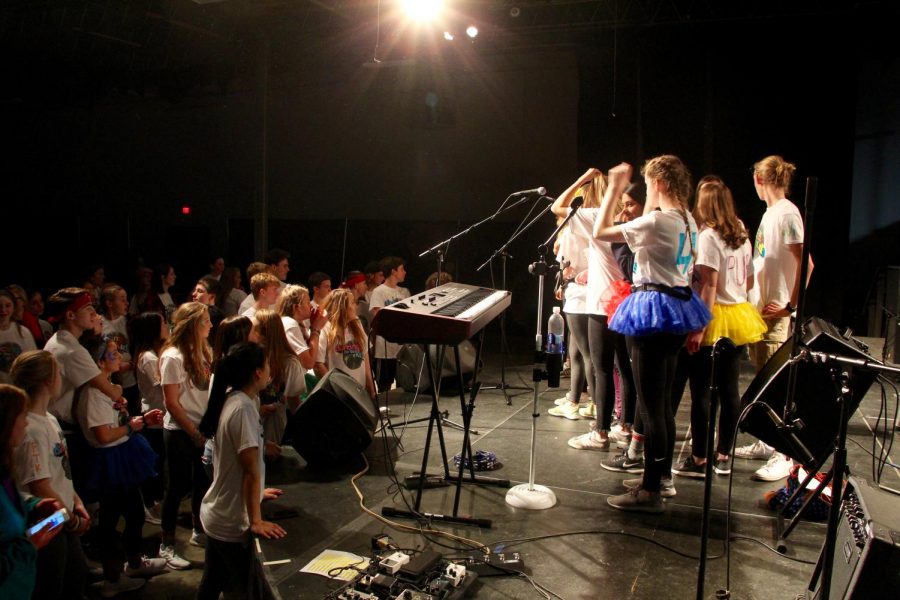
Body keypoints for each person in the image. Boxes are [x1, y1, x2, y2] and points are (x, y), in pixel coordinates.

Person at [594, 157, 712, 513]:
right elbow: (649, 218)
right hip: (676, 307)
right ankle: (659, 476)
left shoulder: (658, 221)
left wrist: (614, 188)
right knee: (661, 402)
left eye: (647, 185)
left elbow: (600, 232)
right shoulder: (687, 220)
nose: (646, 192)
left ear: (659, 183)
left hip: (653, 308)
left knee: (651, 406)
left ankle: (649, 490)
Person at [670, 179, 766, 479]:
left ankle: (700, 458)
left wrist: (699, 327)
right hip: (739, 315)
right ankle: (724, 454)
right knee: (729, 390)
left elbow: (710, 286)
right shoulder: (739, 231)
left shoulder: (709, 236)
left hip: (715, 318)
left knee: (702, 392)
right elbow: (748, 279)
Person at [735, 155, 814, 482]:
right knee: (763, 379)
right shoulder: (772, 213)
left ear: (759, 180)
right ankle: (766, 442)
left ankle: (784, 455)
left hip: (776, 312)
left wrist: (790, 306)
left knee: (776, 384)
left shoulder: (788, 213)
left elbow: (806, 263)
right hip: (760, 310)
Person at [75, 335, 167, 596]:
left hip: (122, 453)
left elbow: (115, 422)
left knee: (133, 514)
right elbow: (104, 435)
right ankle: (114, 578)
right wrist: (132, 426)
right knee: (112, 521)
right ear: (99, 362)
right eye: (113, 354)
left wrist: (140, 420)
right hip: (110, 461)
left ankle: (133, 562)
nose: (120, 358)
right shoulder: (94, 394)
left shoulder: (108, 387)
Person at [196, 342, 286, 599]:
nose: (270, 370)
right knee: (256, 593)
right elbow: (249, 470)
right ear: (257, 372)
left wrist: (258, 492)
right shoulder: (243, 408)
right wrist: (255, 521)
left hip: (218, 514)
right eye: (267, 365)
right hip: (231, 521)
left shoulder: (237, 399)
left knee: (212, 585)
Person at [551, 170, 628, 451]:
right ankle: (622, 423)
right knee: (617, 367)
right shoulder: (627, 221)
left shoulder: (595, 217)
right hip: (624, 299)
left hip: (599, 300)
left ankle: (600, 423)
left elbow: (557, 206)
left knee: (599, 365)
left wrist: (580, 178)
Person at [11, 351, 90, 600]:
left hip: (64, 516)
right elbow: (39, 487)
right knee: (53, 584)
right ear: (47, 381)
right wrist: (71, 521)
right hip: (50, 523)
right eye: (58, 374)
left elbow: (60, 471)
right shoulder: (31, 429)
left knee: (75, 577)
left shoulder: (49, 419)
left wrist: (76, 502)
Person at [157, 302, 213, 569]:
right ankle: (166, 545)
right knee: (177, 488)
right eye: (205, 321)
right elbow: (172, 402)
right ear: (192, 324)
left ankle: (198, 530)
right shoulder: (172, 356)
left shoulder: (202, 351)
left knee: (202, 483)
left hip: (200, 431)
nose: (210, 325)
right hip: (181, 432)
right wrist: (194, 433)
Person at [0, 383, 65, 598]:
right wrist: (28, 545)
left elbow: (9, 497)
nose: (26, 423)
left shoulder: (4, 468)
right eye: (21, 417)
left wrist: (32, 503)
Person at [130, 311, 170, 525]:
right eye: (163, 323)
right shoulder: (147, 357)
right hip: (154, 418)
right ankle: (151, 504)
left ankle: (155, 501)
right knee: (154, 465)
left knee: (160, 463)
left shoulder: (154, 354)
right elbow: (163, 384)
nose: (167, 326)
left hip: (159, 416)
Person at [251, 310, 305, 459]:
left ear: (265, 333)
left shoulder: (289, 363)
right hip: (249, 425)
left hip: (272, 428)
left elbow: (294, 401)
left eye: (254, 329)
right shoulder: (250, 357)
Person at [315, 288, 376, 401]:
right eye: (352, 303)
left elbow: (365, 359)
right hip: (339, 395)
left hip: (359, 392)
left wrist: (371, 390)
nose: (356, 306)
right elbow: (318, 364)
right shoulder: (325, 327)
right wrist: (335, 387)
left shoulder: (356, 323)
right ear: (342, 307)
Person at [368, 257, 410, 393]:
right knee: (385, 384)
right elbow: (377, 314)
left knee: (404, 382)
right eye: (402, 269)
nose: (405, 272)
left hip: (402, 347)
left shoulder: (404, 292)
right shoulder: (379, 291)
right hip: (385, 348)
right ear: (393, 271)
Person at [100, 284, 140, 416]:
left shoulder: (129, 322)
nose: (126, 303)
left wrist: (131, 364)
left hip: (131, 379)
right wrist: (116, 366)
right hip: (111, 380)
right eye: (122, 299)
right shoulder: (99, 323)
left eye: (126, 299)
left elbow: (137, 346)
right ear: (109, 303)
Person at [0, 288, 38, 383]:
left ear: (13, 307)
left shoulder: (23, 332)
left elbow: (32, 362)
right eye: (0, 306)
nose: (3, 310)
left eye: (7, 306)